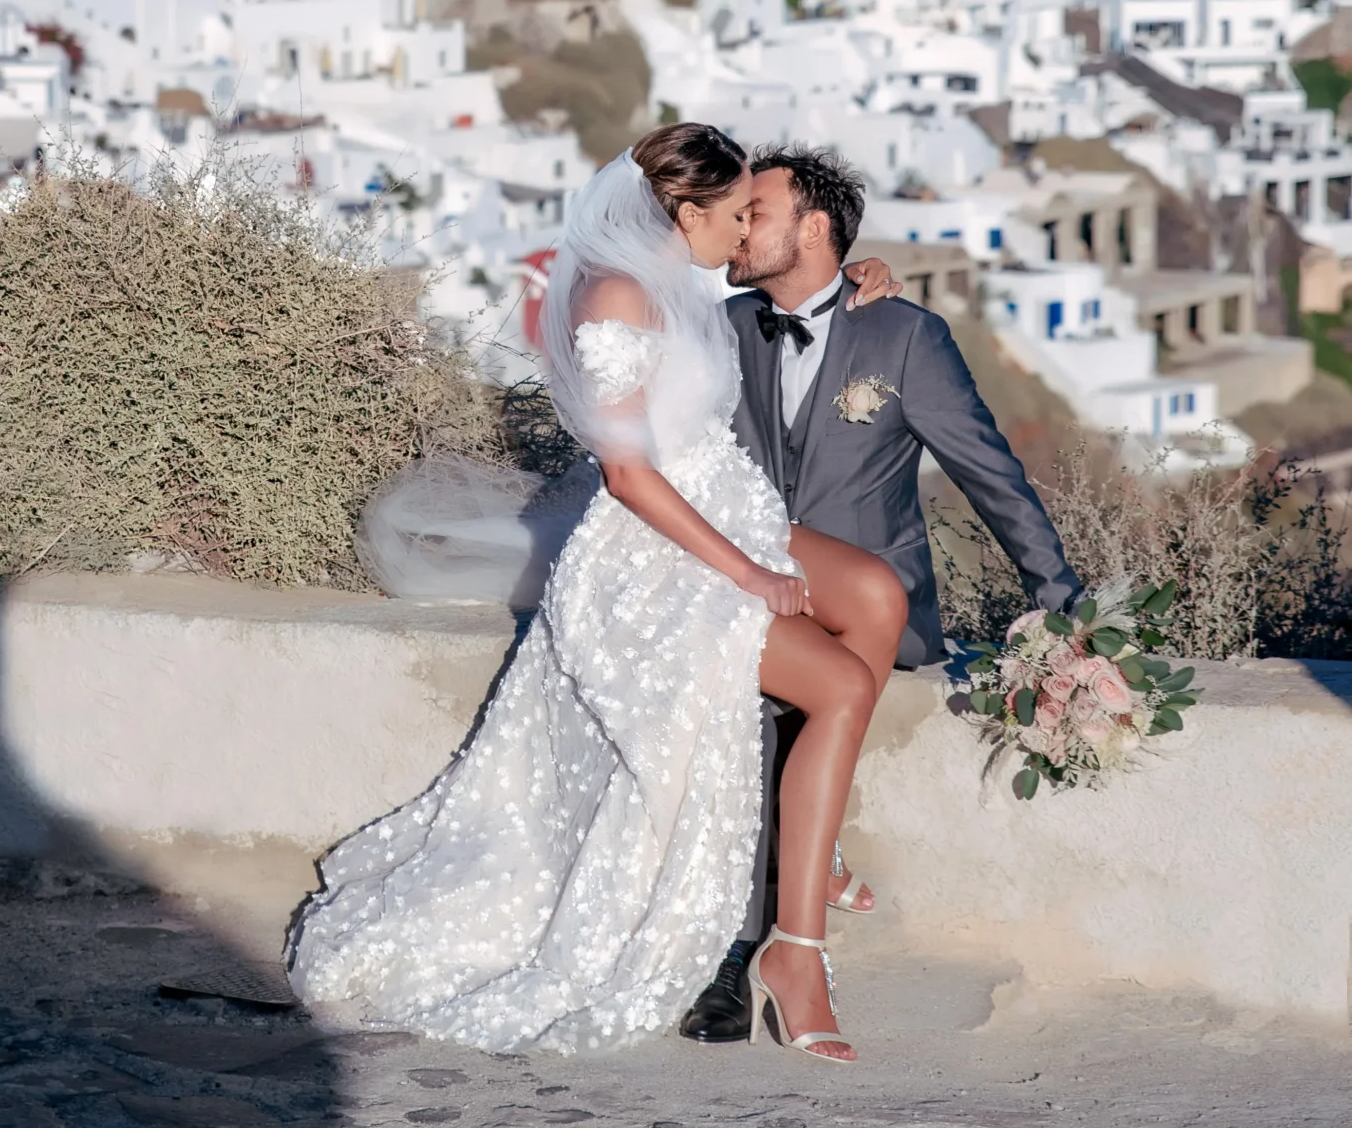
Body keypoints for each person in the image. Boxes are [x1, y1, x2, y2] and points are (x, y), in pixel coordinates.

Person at [288, 124, 907, 1059]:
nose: (746, 230)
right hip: (651, 556)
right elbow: (625, 476)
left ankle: (809, 849)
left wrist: (858, 277)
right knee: (844, 685)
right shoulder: (618, 295)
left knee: (876, 594)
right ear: (685, 213)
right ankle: (795, 949)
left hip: (726, 510)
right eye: (737, 213)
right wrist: (746, 575)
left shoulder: (681, 280)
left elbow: (783, 296)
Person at [678, 140, 1080, 1042]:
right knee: (746, 706)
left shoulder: (903, 335)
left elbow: (989, 474)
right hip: (756, 586)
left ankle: (750, 946)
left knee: (780, 704)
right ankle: (752, 946)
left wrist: (1063, 605)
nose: (739, 230)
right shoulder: (724, 326)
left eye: (756, 213)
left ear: (812, 228)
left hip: (870, 600)